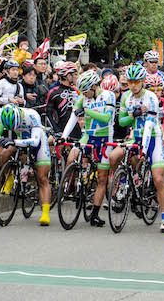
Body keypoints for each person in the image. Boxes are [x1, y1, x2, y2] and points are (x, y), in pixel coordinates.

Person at [113, 64, 164, 232]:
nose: (133, 85)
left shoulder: (151, 97)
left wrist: (145, 149)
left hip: (153, 137)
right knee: (118, 155)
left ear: (143, 81)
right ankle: (131, 183)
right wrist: (132, 115)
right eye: (130, 82)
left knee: (159, 179)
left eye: (136, 82)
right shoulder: (126, 97)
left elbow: (149, 125)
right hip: (136, 137)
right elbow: (121, 122)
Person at [59, 70, 115, 227]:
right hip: (88, 136)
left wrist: (87, 111)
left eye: (86, 91)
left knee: (102, 177)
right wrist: (64, 137)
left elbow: (106, 118)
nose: (84, 95)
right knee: (72, 156)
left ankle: (95, 214)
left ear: (95, 86)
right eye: (82, 92)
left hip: (105, 138)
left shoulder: (108, 96)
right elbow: (73, 117)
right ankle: (73, 186)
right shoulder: (82, 98)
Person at [0, 104, 52, 226]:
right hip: (20, 141)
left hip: (38, 142)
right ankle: (9, 178)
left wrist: (13, 141)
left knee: (42, 178)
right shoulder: (3, 116)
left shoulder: (32, 115)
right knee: (5, 153)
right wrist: (0, 140)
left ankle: (45, 214)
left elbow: (35, 142)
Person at [46, 62, 80, 141]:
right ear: (68, 76)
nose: (77, 77)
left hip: (75, 129)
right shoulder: (53, 92)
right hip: (60, 128)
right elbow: (49, 114)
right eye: (75, 75)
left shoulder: (75, 90)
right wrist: (57, 131)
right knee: (48, 144)